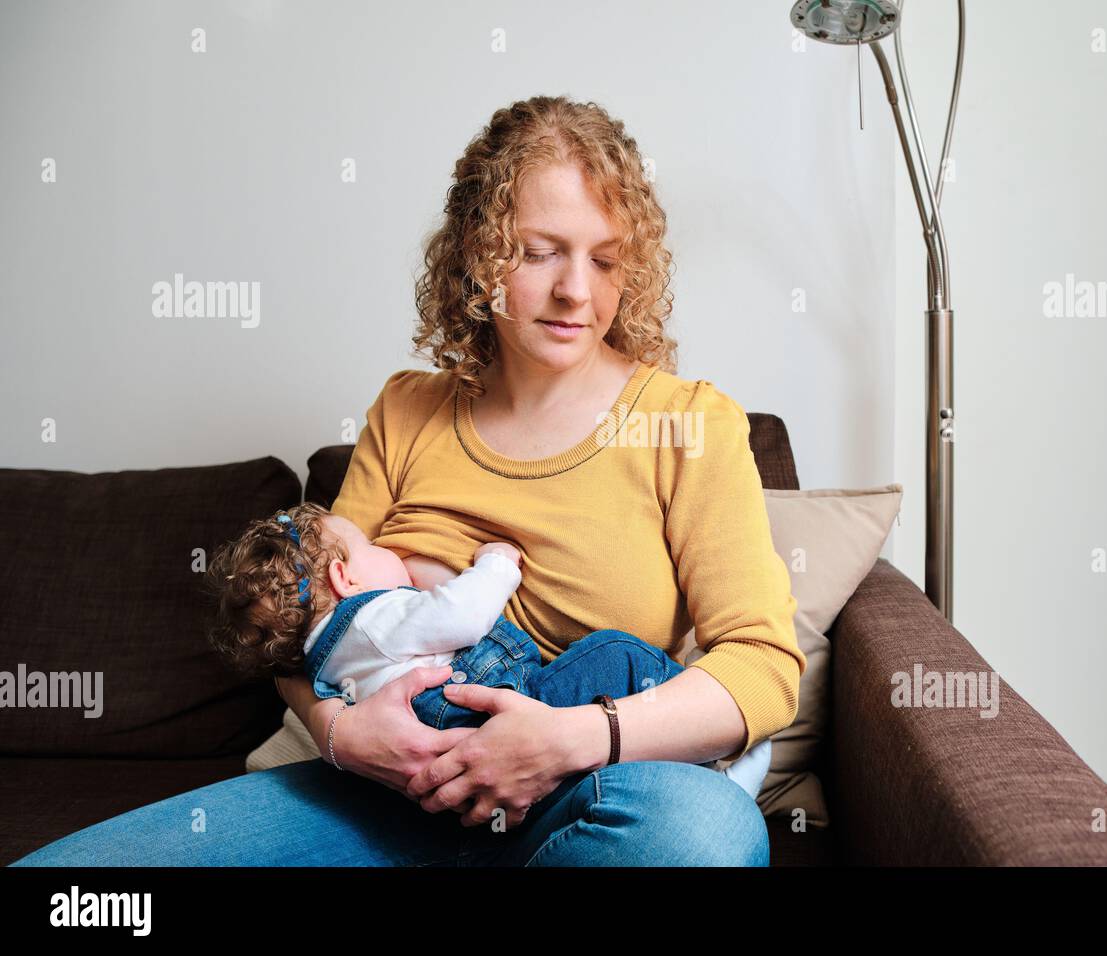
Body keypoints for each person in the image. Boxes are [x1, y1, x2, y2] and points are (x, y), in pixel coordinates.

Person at [9, 94, 804, 867]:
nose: (577, 291)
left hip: (586, 788)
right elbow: (306, 616)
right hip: (386, 795)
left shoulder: (687, 422)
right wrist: (342, 736)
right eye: (539, 252)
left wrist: (571, 738)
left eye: (605, 258)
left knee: (703, 836)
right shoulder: (408, 408)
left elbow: (762, 667)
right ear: (478, 251)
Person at [201, 503, 773, 798]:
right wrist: (496, 562)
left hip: (453, 767)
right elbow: (459, 613)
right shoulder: (375, 620)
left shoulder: (323, 658)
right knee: (616, 654)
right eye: (373, 544)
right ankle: (714, 746)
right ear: (347, 577)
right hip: (510, 702)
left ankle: (692, 758)